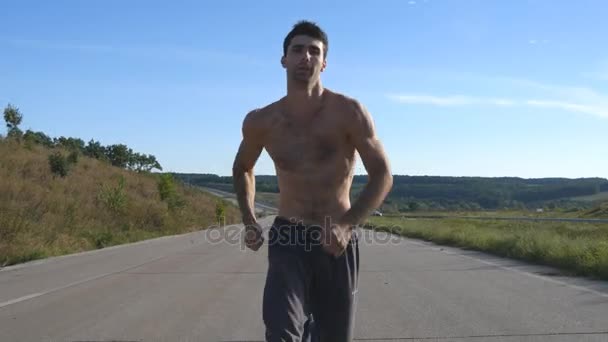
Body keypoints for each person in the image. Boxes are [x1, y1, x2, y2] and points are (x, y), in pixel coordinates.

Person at [232, 20, 393, 342]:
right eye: (297, 50)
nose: (305, 57)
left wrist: (347, 225)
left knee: (333, 336)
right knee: (281, 331)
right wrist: (250, 220)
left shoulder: (349, 112)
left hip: (336, 240)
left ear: (325, 62)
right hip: (288, 236)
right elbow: (243, 168)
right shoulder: (262, 121)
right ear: (284, 59)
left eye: (314, 51)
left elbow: (382, 175)